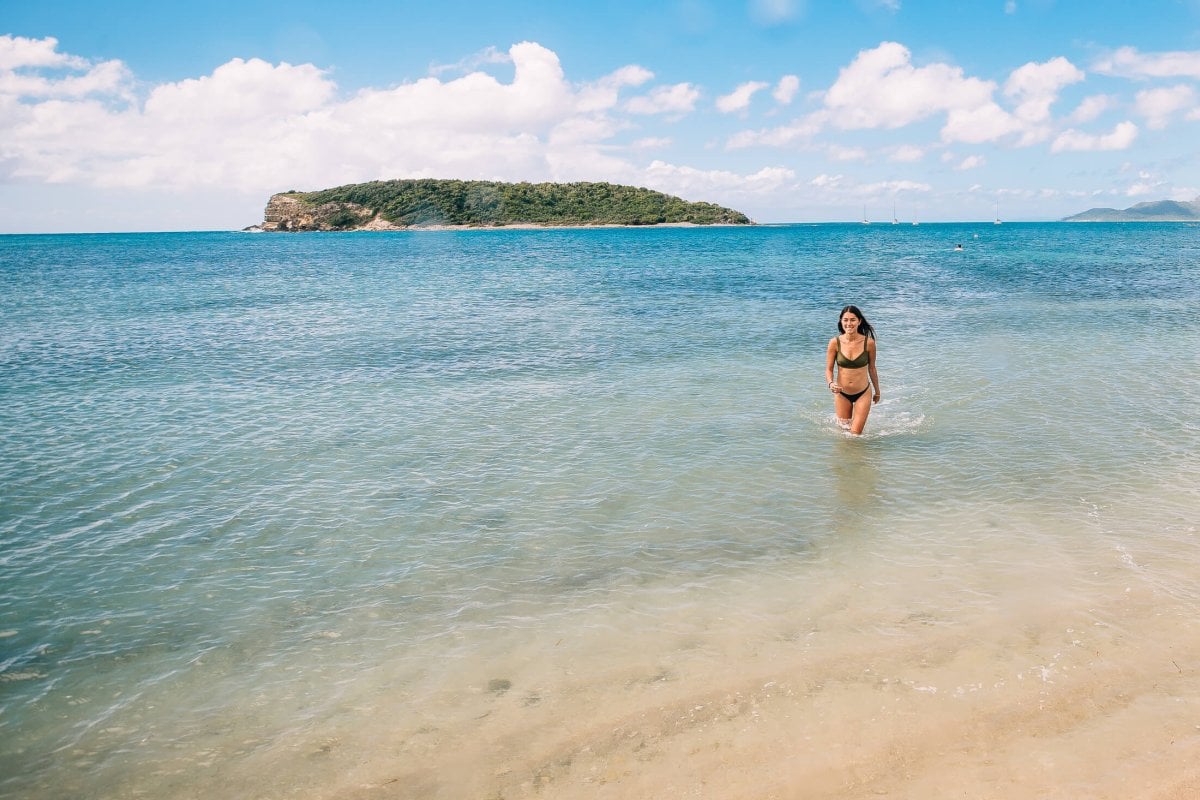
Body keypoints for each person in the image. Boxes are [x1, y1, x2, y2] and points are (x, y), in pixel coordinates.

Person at [825, 305, 881, 435]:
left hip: (863, 392)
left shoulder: (869, 343)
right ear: (841, 321)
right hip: (842, 394)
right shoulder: (834, 342)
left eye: (852, 320)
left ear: (859, 321)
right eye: (845, 320)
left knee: (855, 435)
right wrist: (831, 383)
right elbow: (828, 369)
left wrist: (877, 391)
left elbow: (872, 368)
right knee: (844, 434)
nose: (849, 323)